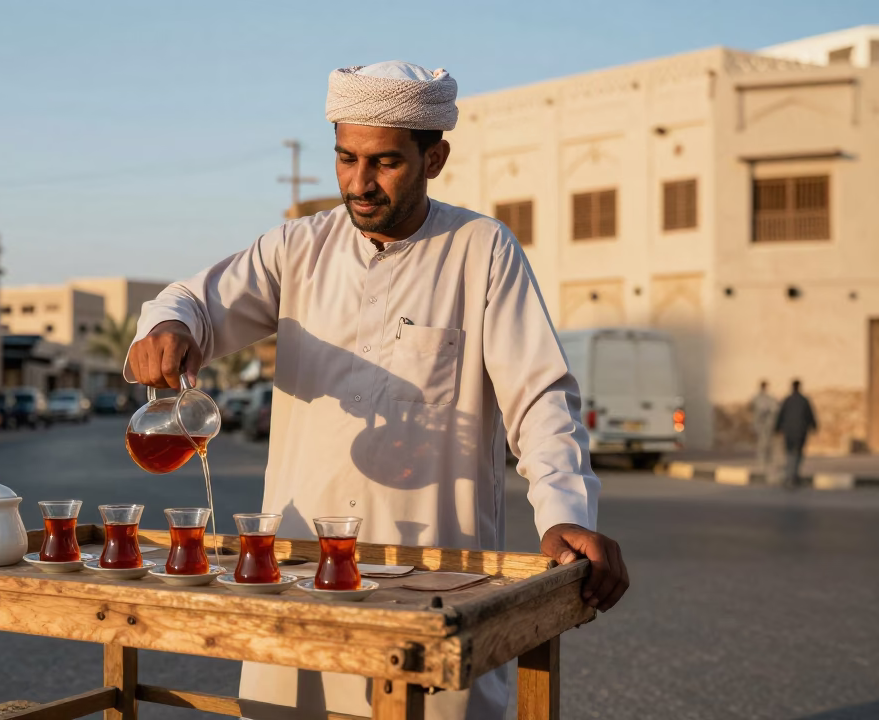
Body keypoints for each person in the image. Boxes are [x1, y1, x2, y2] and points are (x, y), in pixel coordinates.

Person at [125, 61, 628, 720]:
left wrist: (566, 512)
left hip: (438, 579)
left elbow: (539, 397)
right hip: (299, 575)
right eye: (345, 159)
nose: (359, 183)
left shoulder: (482, 250)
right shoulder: (296, 250)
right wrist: (168, 326)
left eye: (385, 163)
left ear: (435, 157)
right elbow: (192, 299)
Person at [775, 379, 817, 488]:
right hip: (800, 431)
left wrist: (777, 428)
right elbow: (810, 415)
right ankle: (793, 475)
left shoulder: (787, 400)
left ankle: (790, 476)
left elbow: (780, 415)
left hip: (789, 432)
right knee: (797, 453)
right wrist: (814, 426)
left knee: (789, 454)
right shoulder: (804, 400)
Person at [749, 380, 778, 477]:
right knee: (762, 443)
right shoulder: (756, 398)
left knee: (768, 443)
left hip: (768, 424)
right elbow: (751, 408)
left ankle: (768, 461)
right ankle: (761, 461)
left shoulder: (769, 397)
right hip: (760, 424)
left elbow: (774, 409)